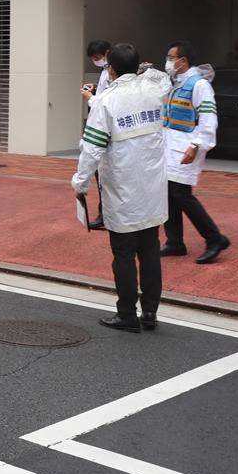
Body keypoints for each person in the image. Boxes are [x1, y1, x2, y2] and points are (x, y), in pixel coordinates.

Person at [72, 43, 171, 333]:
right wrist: (146, 71)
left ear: (110, 69)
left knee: (124, 253)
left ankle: (127, 313)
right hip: (152, 189)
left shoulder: (106, 101)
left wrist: (80, 183)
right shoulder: (155, 91)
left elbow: (92, 149)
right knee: (150, 251)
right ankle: (150, 312)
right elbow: (163, 77)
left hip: (122, 189)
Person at [162, 40, 230, 264]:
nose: (168, 61)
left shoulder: (199, 85)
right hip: (170, 147)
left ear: (183, 60)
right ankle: (175, 242)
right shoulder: (175, 83)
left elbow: (208, 119)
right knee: (168, 193)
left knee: (181, 194)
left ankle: (215, 238)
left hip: (187, 146)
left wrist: (196, 146)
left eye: (171, 58)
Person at [80, 39, 112, 230]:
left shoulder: (113, 72)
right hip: (102, 126)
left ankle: (107, 216)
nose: (96, 61)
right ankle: (104, 214)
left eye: (98, 57)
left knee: (106, 178)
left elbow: (106, 104)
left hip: (105, 129)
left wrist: (91, 99)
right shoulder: (105, 71)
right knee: (102, 177)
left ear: (107, 53)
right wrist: (94, 90)